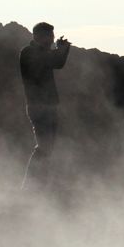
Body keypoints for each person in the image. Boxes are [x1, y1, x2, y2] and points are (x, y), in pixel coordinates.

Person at [19, 22, 71, 190]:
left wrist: (62, 50)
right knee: (44, 147)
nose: (51, 40)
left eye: (52, 36)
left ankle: (37, 183)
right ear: (37, 36)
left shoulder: (41, 52)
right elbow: (53, 61)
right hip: (38, 106)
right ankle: (31, 185)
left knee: (47, 147)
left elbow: (57, 62)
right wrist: (62, 50)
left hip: (48, 106)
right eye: (49, 37)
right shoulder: (28, 53)